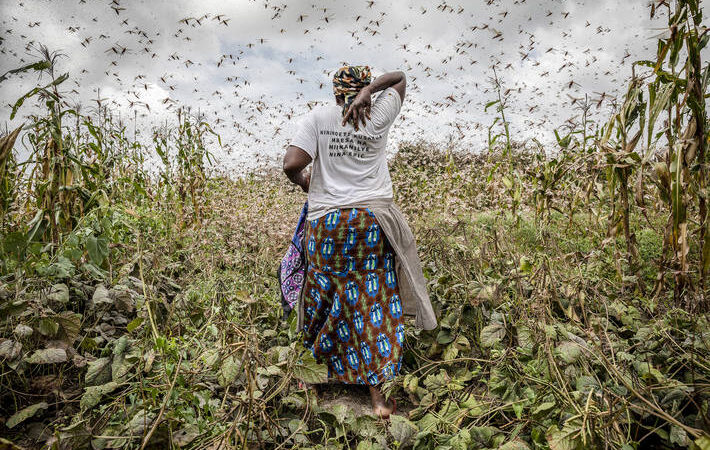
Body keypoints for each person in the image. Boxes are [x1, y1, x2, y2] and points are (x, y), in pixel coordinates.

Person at [283, 65, 437, 419]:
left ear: (336, 93)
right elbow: (399, 77)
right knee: (373, 300)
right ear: (364, 89)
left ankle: (313, 380)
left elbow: (292, 163)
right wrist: (372, 91)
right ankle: (379, 400)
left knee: (321, 294)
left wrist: (306, 182)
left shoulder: (318, 118)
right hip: (371, 223)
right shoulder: (378, 113)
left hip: (328, 226)